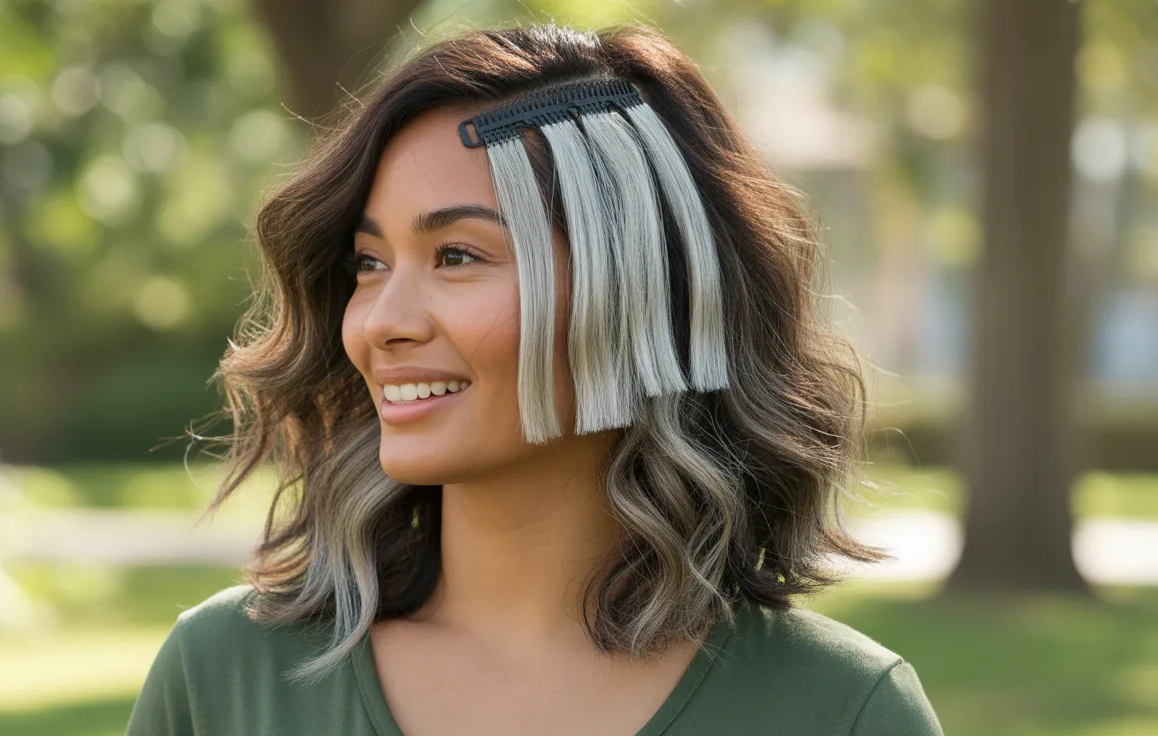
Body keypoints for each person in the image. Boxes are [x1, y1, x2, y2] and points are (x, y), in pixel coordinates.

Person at [126, 22, 945, 736]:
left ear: (636, 292)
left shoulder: (840, 712)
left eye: (457, 256)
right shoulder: (225, 678)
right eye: (369, 264)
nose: (380, 321)